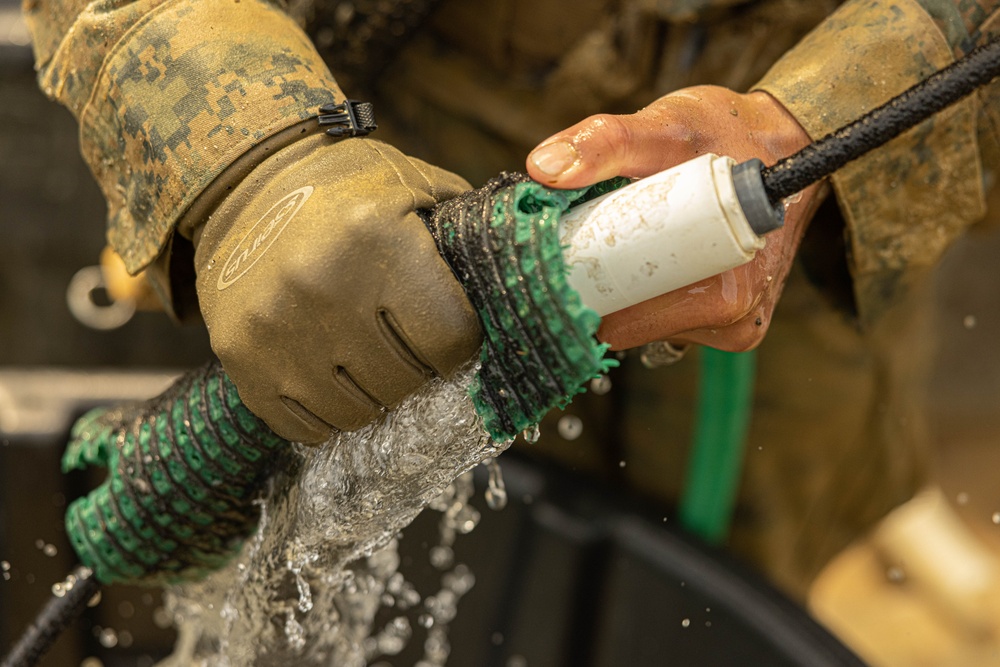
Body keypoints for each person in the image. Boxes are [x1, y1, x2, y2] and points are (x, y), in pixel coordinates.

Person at [22, 0, 999, 610]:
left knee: (737, 585)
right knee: (301, 544)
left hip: (828, 261)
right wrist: (249, 167)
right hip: (374, 193)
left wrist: (825, 117)